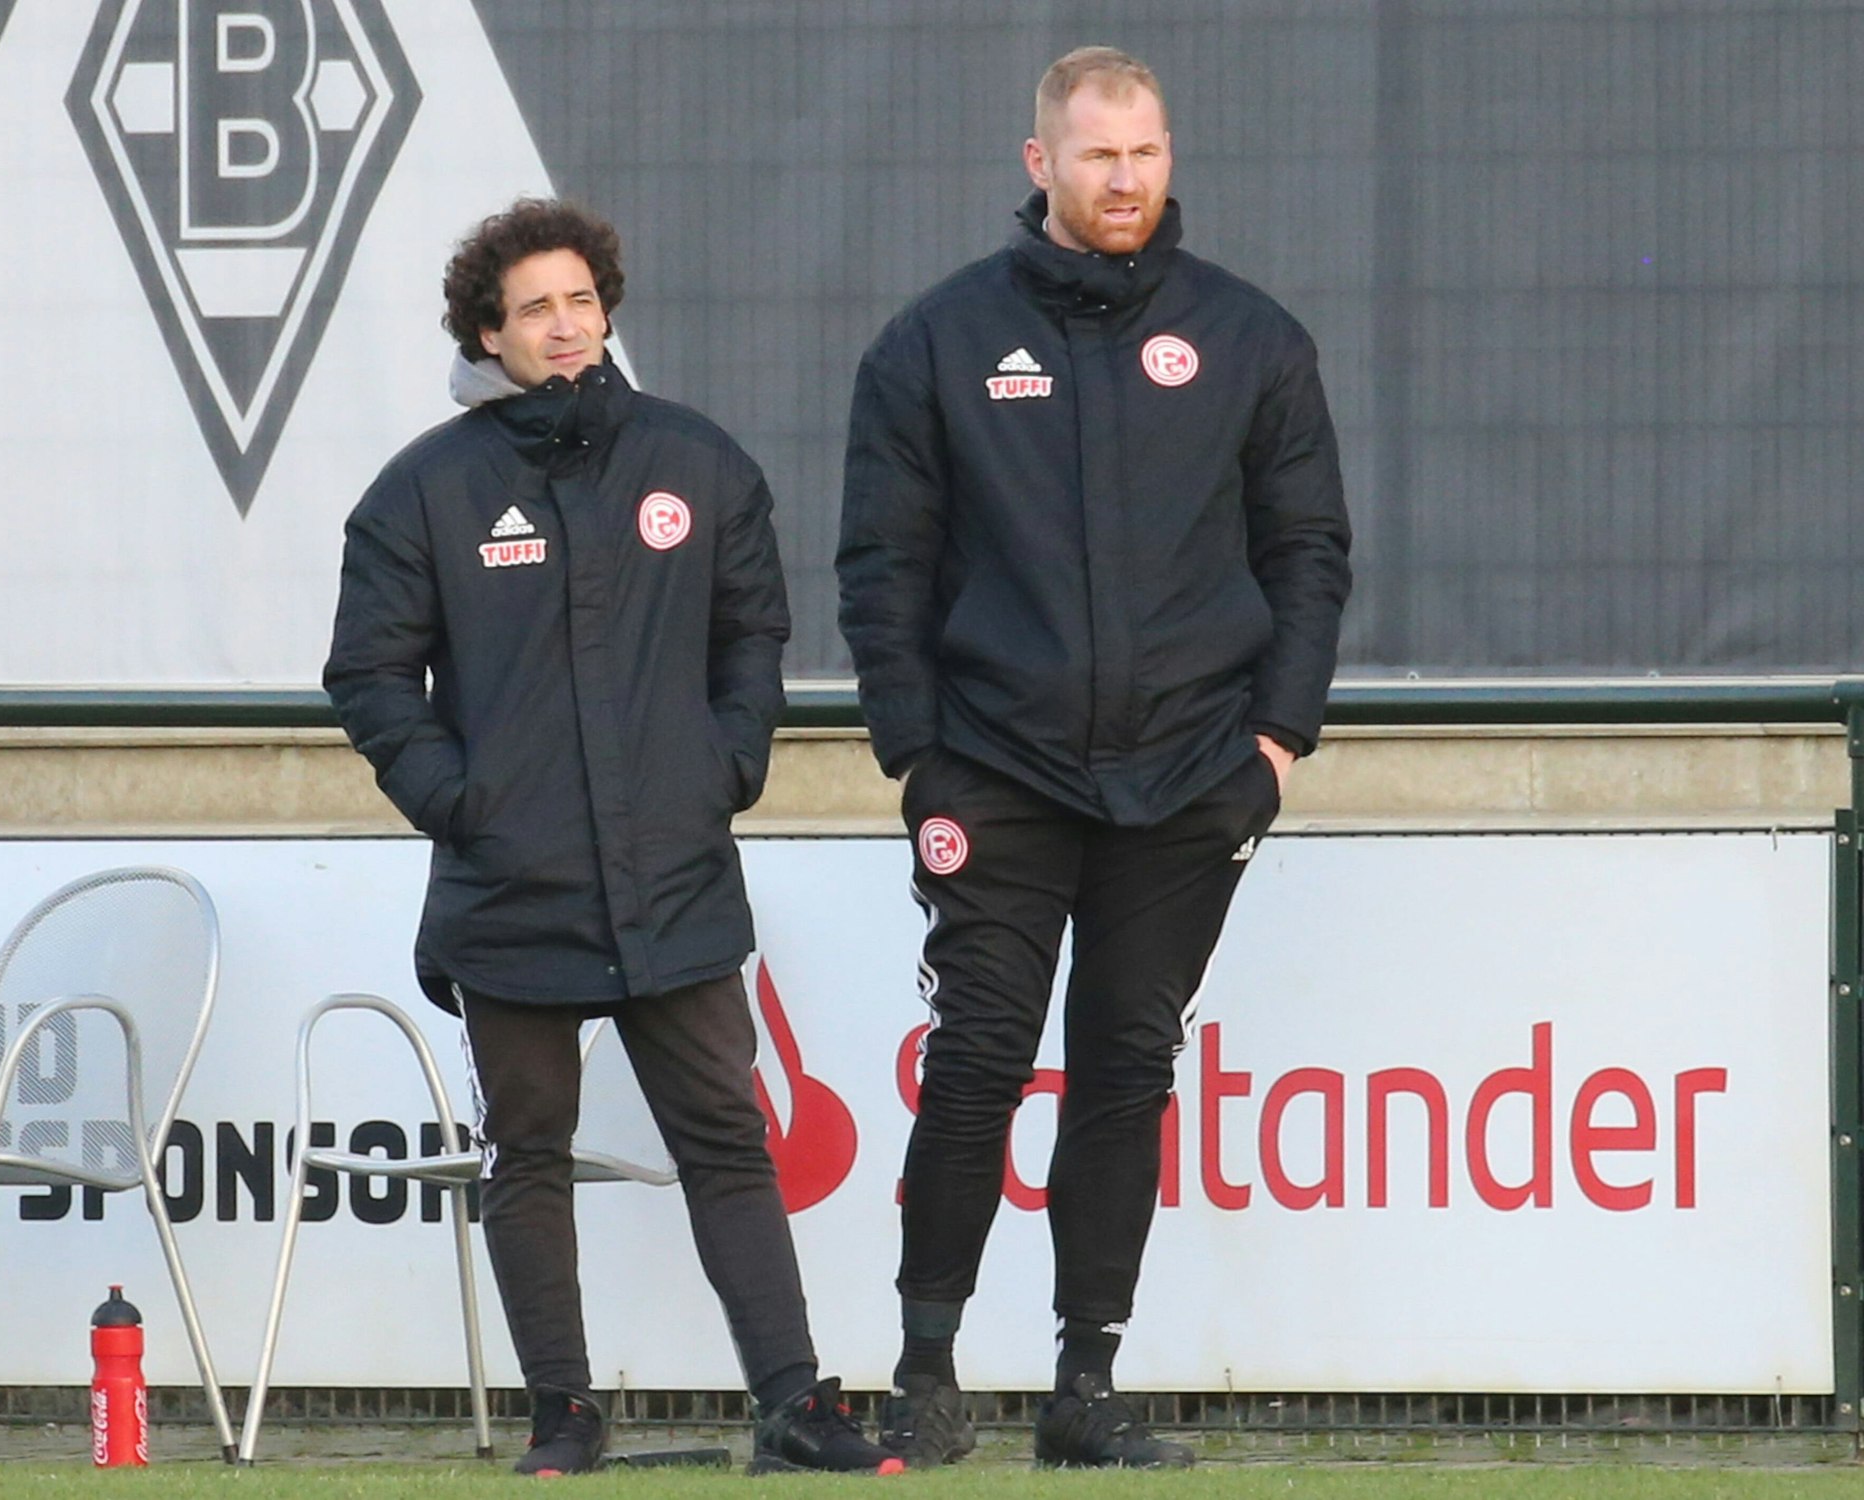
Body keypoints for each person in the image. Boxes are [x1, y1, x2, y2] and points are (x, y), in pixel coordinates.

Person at [325, 197, 901, 1478]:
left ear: (608, 309)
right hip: (507, 890)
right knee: (526, 1156)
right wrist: (464, 804)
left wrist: (723, 764)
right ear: (489, 332)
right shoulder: (425, 490)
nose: (565, 326)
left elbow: (752, 632)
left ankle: (793, 1405)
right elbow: (367, 676)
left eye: (580, 300)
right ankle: (563, 1415)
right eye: (534, 308)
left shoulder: (695, 463)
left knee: (726, 1141)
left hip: (674, 876)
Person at [837, 46, 1352, 1469]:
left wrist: (1275, 745)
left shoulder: (1251, 341)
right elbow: (883, 570)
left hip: (1191, 776)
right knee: (982, 1057)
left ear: (1169, 157)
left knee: (1128, 1070)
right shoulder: (935, 343)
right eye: (1096, 155)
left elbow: (1308, 554)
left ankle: (1087, 1391)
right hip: (996, 770)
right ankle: (925, 1373)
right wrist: (918, 759)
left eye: (1145, 153)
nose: (1123, 179)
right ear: (1040, 164)